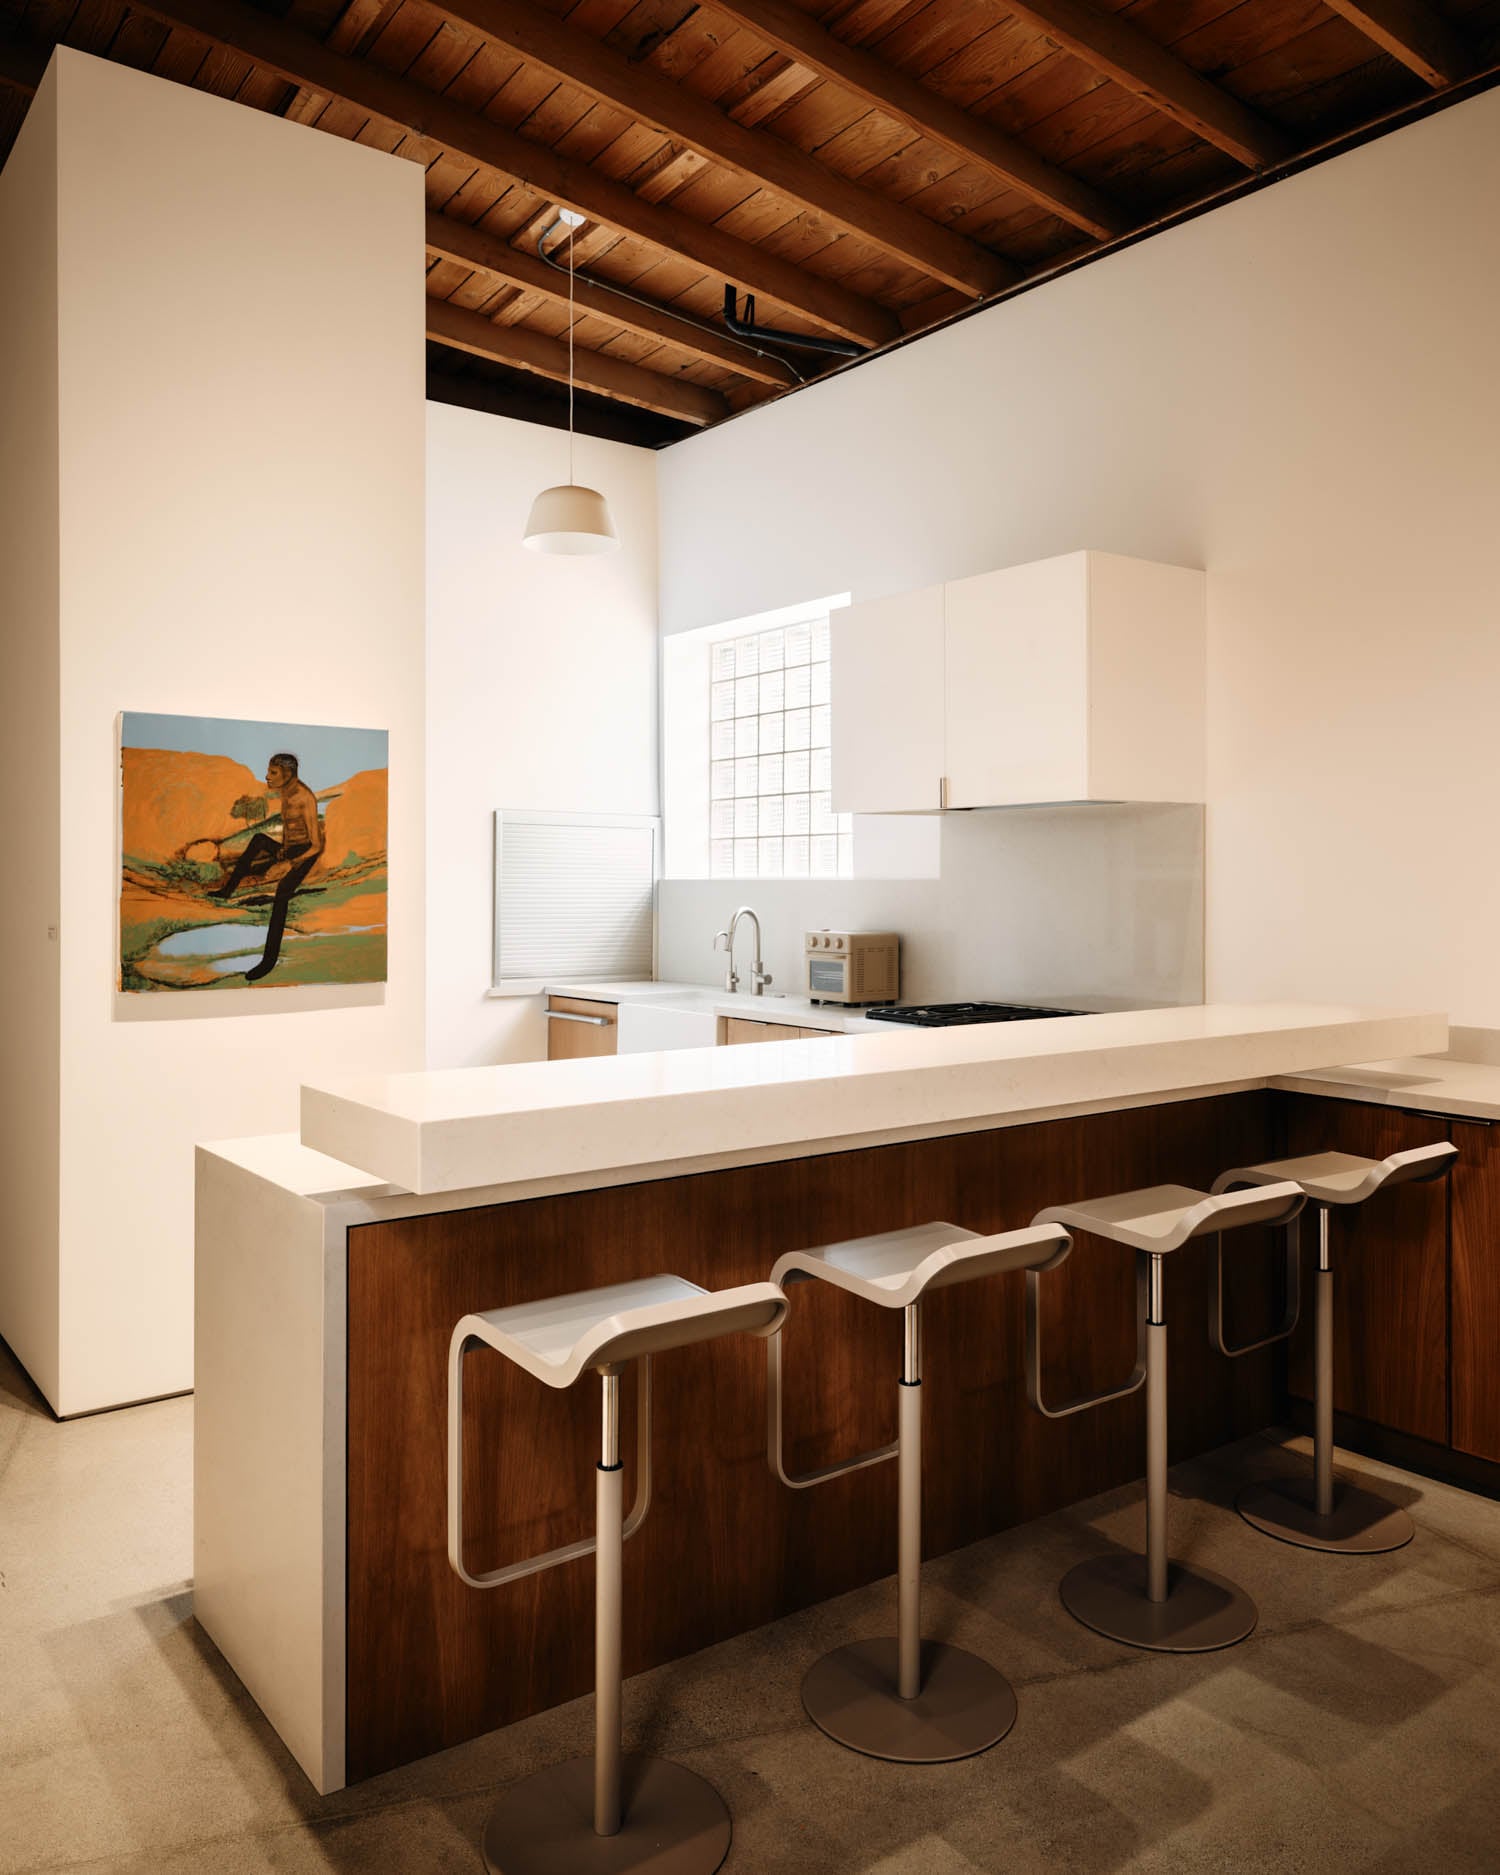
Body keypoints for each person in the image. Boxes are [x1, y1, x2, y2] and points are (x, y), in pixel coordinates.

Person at [212, 752, 325, 983]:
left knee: (282, 892)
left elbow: (316, 845)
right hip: (290, 849)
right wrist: (282, 850)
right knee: (259, 840)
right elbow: (290, 828)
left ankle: (268, 961)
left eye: (273, 773)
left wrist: (289, 864)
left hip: (305, 854)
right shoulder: (286, 792)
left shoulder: (305, 798)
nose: (267, 777)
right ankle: (227, 891)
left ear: (288, 773)